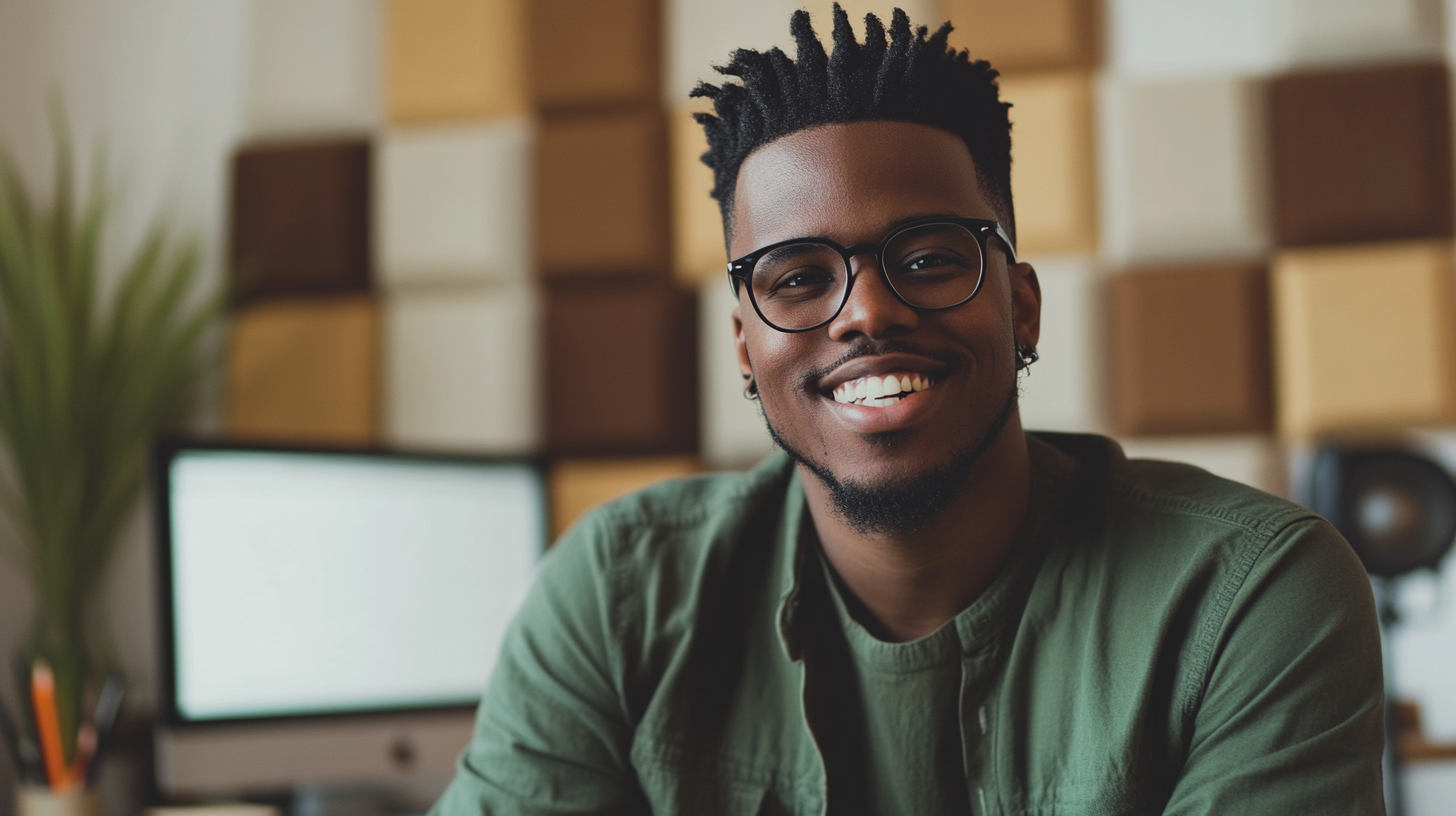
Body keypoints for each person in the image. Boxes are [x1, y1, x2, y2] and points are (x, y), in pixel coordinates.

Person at [433, 6, 1386, 814]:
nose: (867, 312)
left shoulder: (1250, 599)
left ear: (1020, 304)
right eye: (799, 278)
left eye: (928, 258)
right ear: (744, 349)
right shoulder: (617, 595)